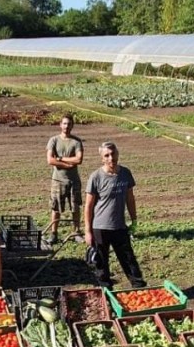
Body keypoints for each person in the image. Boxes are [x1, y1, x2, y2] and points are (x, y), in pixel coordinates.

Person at [83, 142, 146, 289]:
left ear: (117, 154)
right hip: (100, 227)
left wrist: (134, 220)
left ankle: (139, 288)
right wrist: (87, 231)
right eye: (107, 155)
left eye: (113, 154)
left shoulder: (125, 173)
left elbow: (130, 199)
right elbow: (88, 206)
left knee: (128, 259)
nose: (111, 158)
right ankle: (106, 292)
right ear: (102, 159)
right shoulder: (96, 177)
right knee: (101, 263)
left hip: (119, 226)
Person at [44, 115, 85, 246]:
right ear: (60, 125)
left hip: (73, 181)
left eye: (69, 124)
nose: (67, 126)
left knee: (75, 207)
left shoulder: (76, 142)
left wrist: (60, 159)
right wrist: (68, 163)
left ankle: (76, 232)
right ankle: (54, 234)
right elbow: (50, 160)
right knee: (56, 208)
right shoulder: (53, 140)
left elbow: (78, 159)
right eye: (64, 124)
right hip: (58, 180)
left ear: (72, 125)